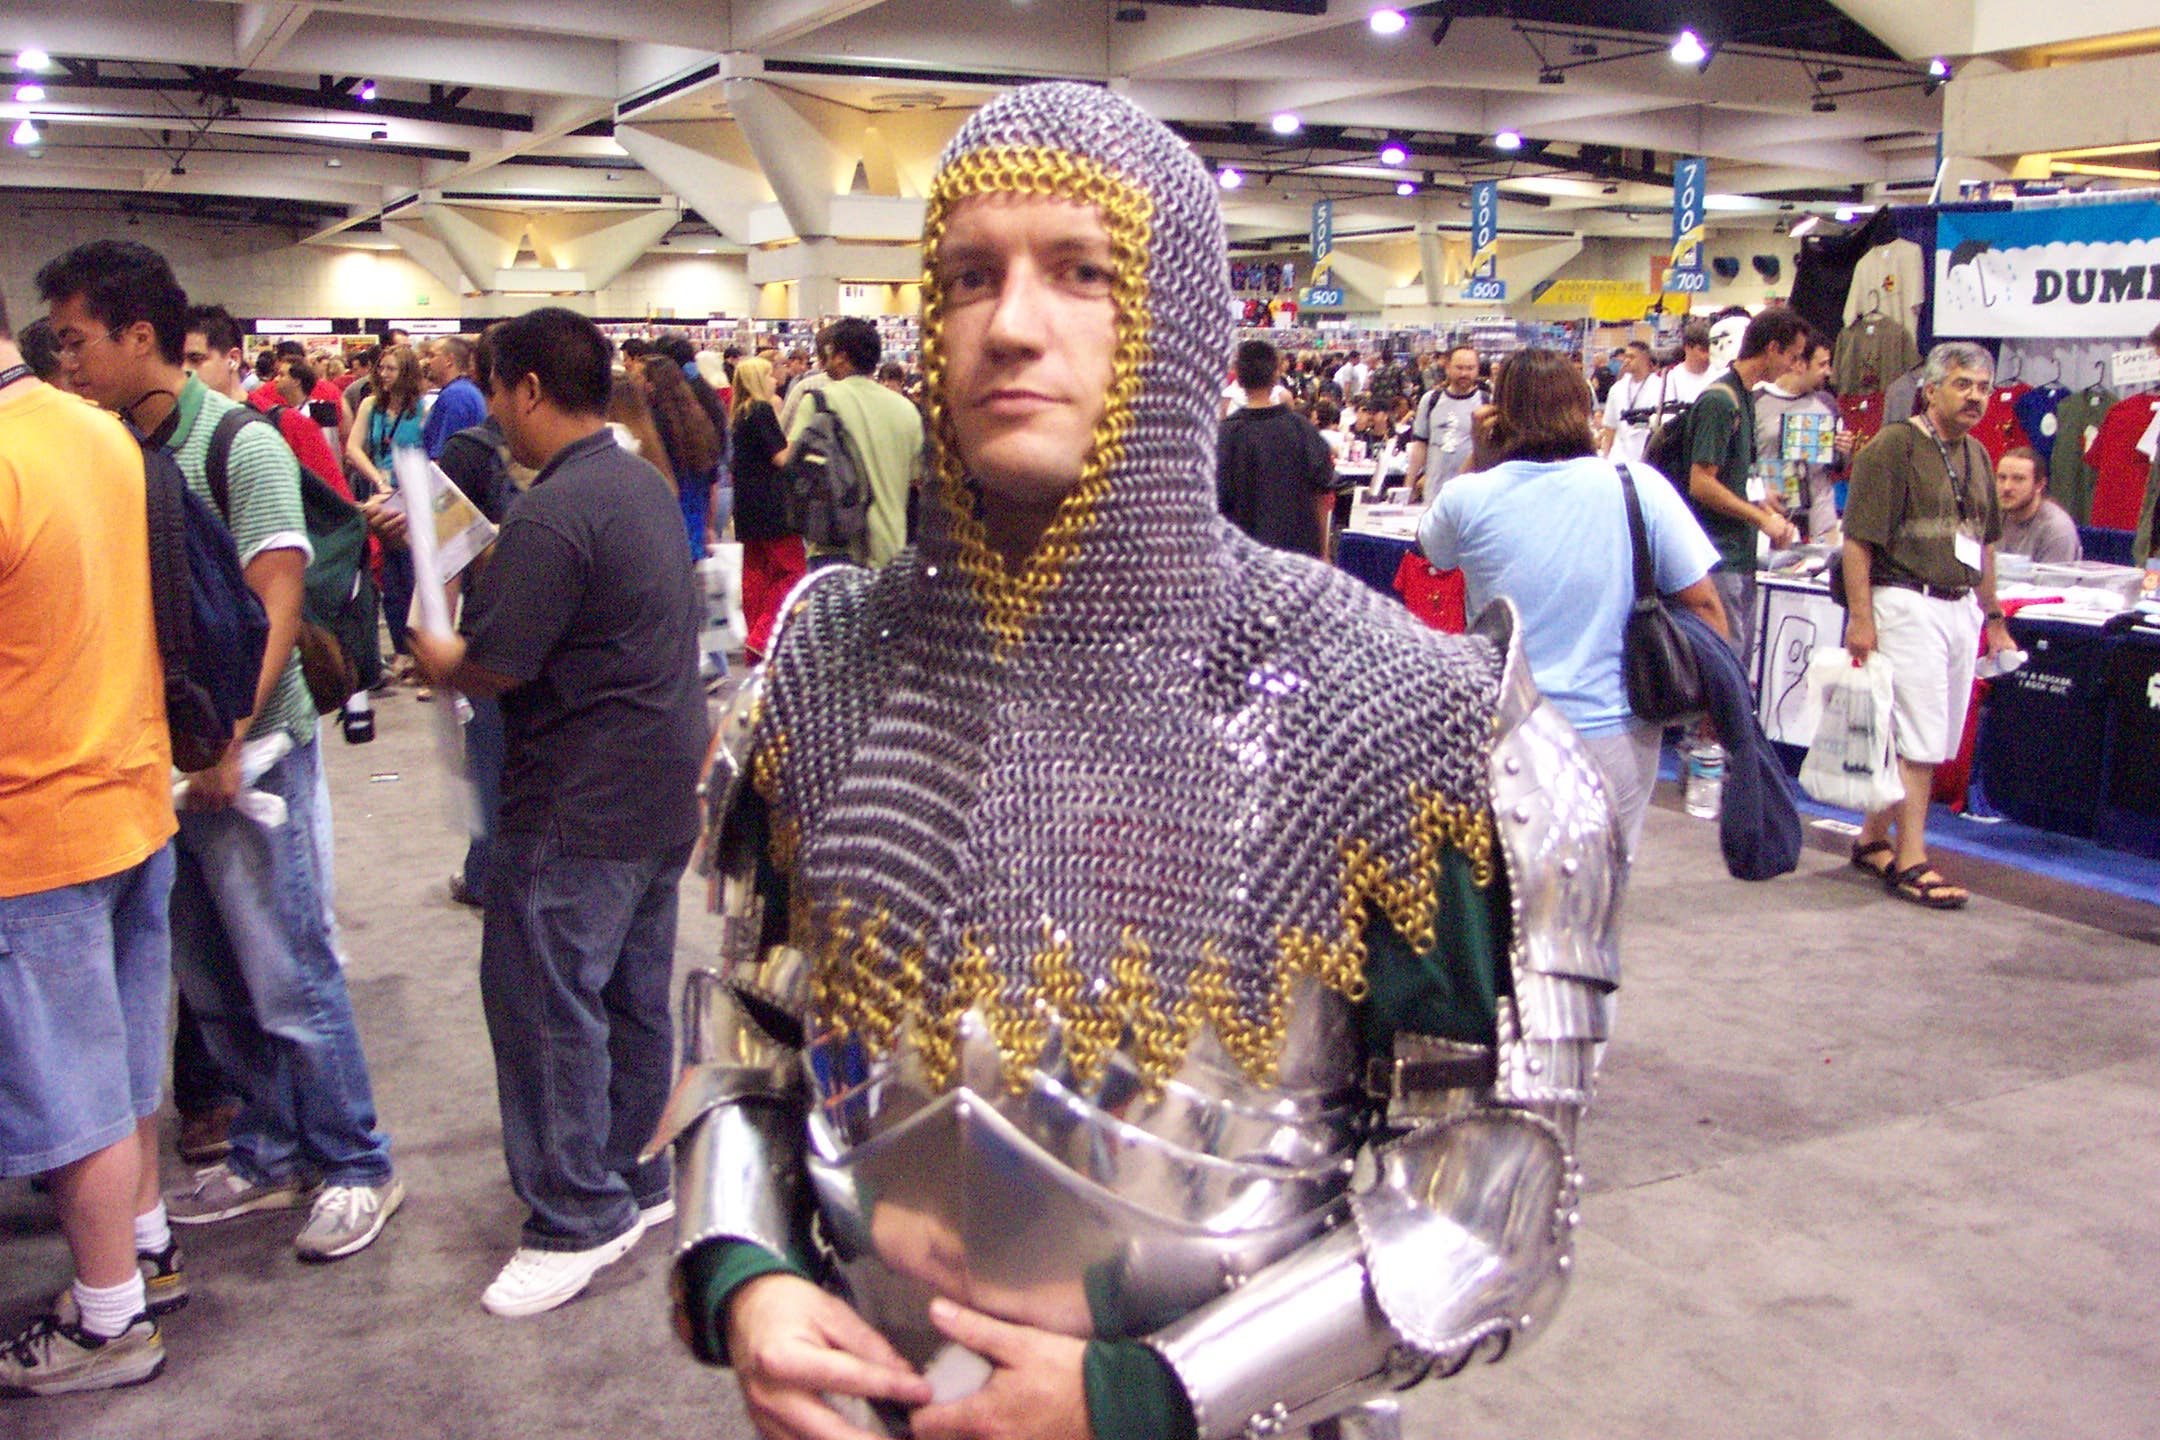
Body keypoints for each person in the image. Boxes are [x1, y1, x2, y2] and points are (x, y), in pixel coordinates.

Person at [658, 82, 1622, 1440]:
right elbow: (755, 1037)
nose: (1009, 323)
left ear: (1171, 325)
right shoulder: (829, 669)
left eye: (1080, 272)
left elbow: (1489, 1196)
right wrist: (746, 1275)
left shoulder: (1397, 714)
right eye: (969, 277)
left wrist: (1153, 1394)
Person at [39, 239, 403, 1261]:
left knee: (290, 971)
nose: (66, 362)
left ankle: (357, 1161)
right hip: (159, 759)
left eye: (77, 341)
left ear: (138, 335)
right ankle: (271, 1144)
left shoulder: (237, 444)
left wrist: (226, 735)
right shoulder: (108, 443)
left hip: (250, 755)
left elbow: (275, 597)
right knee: (208, 980)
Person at [407, 308, 709, 1317]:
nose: (493, 409)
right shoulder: (636, 483)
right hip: (659, 793)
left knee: (545, 1006)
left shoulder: (556, 512)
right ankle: (635, 1174)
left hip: (577, 802)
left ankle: (577, 1211)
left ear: (530, 388)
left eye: (497, 389)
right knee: (625, 995)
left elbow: (490, 666)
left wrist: (433, 641)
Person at [0, 300, 179, 1397]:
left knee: (74, 1095)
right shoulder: (95, 431)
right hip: (128, 787)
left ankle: (109, 1322)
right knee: (118, 1069)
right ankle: (145, 1256)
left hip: (36, 820)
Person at [1418, 349, 1727, 857]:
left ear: (1501, 412)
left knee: (1507, 896)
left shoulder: (1468, 497)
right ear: (1584, 409)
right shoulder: (1638, 488)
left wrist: (1480, 453)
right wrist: (1716, 706)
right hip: (1618, 733)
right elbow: (1706, 607)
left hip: (1507, 732)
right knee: (1598, 897)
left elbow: (1433, 549)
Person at [1842, 341, 2020, 910]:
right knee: (1917, 739)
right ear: (1932, 388)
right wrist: (1862, 619)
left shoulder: (1979, 456)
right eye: (1963, 384)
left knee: (1933, 737)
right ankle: (1911, 858)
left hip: (1958, 606)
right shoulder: (1893, 446)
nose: (1975, 397)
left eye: (1984, 388)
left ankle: (1873, 839)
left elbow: (1986, 545)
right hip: (1905, 601)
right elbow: (1857, 541)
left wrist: (1993, 618)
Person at [1682, 307, 1811, 666]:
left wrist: (1763, 501)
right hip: (1717, 557)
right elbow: (1701, 483)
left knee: (1736, 663)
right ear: (1772, 348)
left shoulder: (1744, 397)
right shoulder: (1721, 401)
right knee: (1722, 669)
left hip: (1737, 557)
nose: (1795, 366)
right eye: (1793, 356)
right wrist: (1760, 519)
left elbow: (1731, 477)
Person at [783, 315, 925, 569]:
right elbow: (918, 481)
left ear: (840, 355)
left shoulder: (818, 403)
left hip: (832, 548)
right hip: (890, 553)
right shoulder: (907, 410)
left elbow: (791, 463)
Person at [1216, 337, 1336, 558]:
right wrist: (1324, 552)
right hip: (1299, 558)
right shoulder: (1302, 430)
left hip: (1241, 560)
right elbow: (1322, 492)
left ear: (1238, 379)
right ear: (1275, 375)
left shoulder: (1225, 436)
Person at [346, 343, 425, 679]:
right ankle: (401, 651)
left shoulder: (423, 408)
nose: (384, 374)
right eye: (382, 368)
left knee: (414, 574)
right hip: (380, 495)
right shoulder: (370, 405)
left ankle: (419, 649)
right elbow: (353, 448)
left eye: (391, 369)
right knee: (389, 576)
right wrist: (378, 479)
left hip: (415, 497)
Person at [726, 355, 804, 661]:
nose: (776, 379)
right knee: (791, 570)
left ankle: (755, 642)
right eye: (771, 375)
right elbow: (781, 457)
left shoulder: (739, 415)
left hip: (746, 505)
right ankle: (763, 635)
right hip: (773, 505)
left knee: (755, 573)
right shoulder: (761, 410)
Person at [1750, 328, 1851, 543]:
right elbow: (1741, 463)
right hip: (1771, 520)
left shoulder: (1827, 404)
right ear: (1799, 364)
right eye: (1821, 364)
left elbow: (1838, 466)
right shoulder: (1755, 402)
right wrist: (1758, 494)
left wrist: (1843, 451)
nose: (1828, 372)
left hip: (1821, 521)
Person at [640, 354, 723, 557]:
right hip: (694, 525)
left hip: (661, 529)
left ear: (651, 385)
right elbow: (712, 484)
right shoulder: (699, 421)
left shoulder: (650, 425)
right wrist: (709, 527)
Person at [1404, 342, 1484, 497]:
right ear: (1447, 368)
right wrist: (1408, 485)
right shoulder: (1430, 400)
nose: (1464, 374)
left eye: (1470, 368)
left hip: (1472, 493)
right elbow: (1420, 445)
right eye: (1459, 367)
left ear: (1477, 370)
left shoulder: (1486, 402)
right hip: (1435, 492)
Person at [1994, 445, 2082, 563]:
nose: (2007, 487)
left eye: (2018, 479)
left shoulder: (2056, 529)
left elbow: (2055, 581)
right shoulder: (1991, 518)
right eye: (2002, 478)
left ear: (2039, 484)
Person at [419, 335, 488, 459]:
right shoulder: (463, 390)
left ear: (449, 360)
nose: (427, 362)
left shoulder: (456, 395)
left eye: (432, 355)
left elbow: (446, 455)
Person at [1599, 341, 1666, 464]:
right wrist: (1606, 456)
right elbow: (1610, 426)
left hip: (1645, 455)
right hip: (1619, 457)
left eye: (1632, 357)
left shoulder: (1660, 386)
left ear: (1645, 359)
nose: (1626, 361)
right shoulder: (1617, 388)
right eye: (1626, 356)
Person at [1666, 317, 1716, 407]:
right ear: (1688, 348)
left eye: (1710, 350)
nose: (1708, 356)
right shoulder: (1673, 377)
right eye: (1703, 350)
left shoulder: (1719, 373)